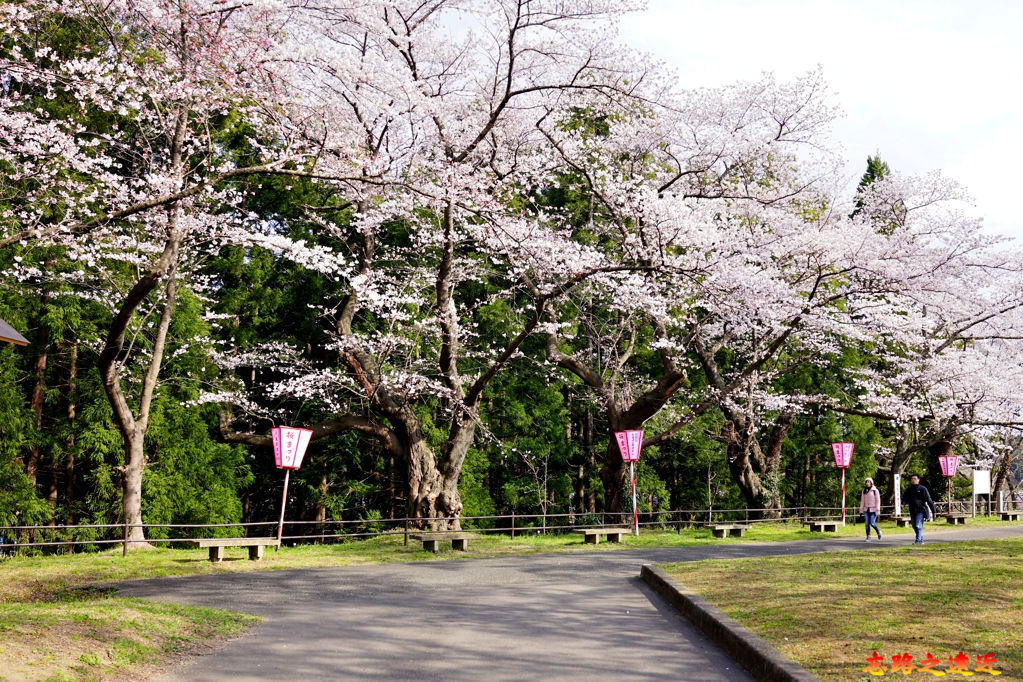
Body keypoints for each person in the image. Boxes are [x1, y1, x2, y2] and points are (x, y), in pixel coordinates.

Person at [904, 474, 937, 544]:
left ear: (918, 480)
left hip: (921, 510)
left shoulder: (923, 489)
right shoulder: (909, 489)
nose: (913, 480)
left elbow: (929, 500)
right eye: (912, 479)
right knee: (914, 526)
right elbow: (905, 498)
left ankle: (918, 541)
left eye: (915, 479)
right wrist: (902, 504)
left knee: (918, 525)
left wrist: (934, 512)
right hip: (912, 510)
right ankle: (920, 539)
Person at [859, 477, 882, 541]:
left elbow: (878, 500)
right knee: (867, 524)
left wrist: (877, 509)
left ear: (871, 483)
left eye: (868, 482)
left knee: (872, 523)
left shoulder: (875, 491)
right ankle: (868, 536)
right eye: (866, 482)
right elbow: (862, 501)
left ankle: (878, 532)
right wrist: (861, 510)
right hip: (866, 509)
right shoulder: (864, 491)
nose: (867, 483)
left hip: (873, 509)